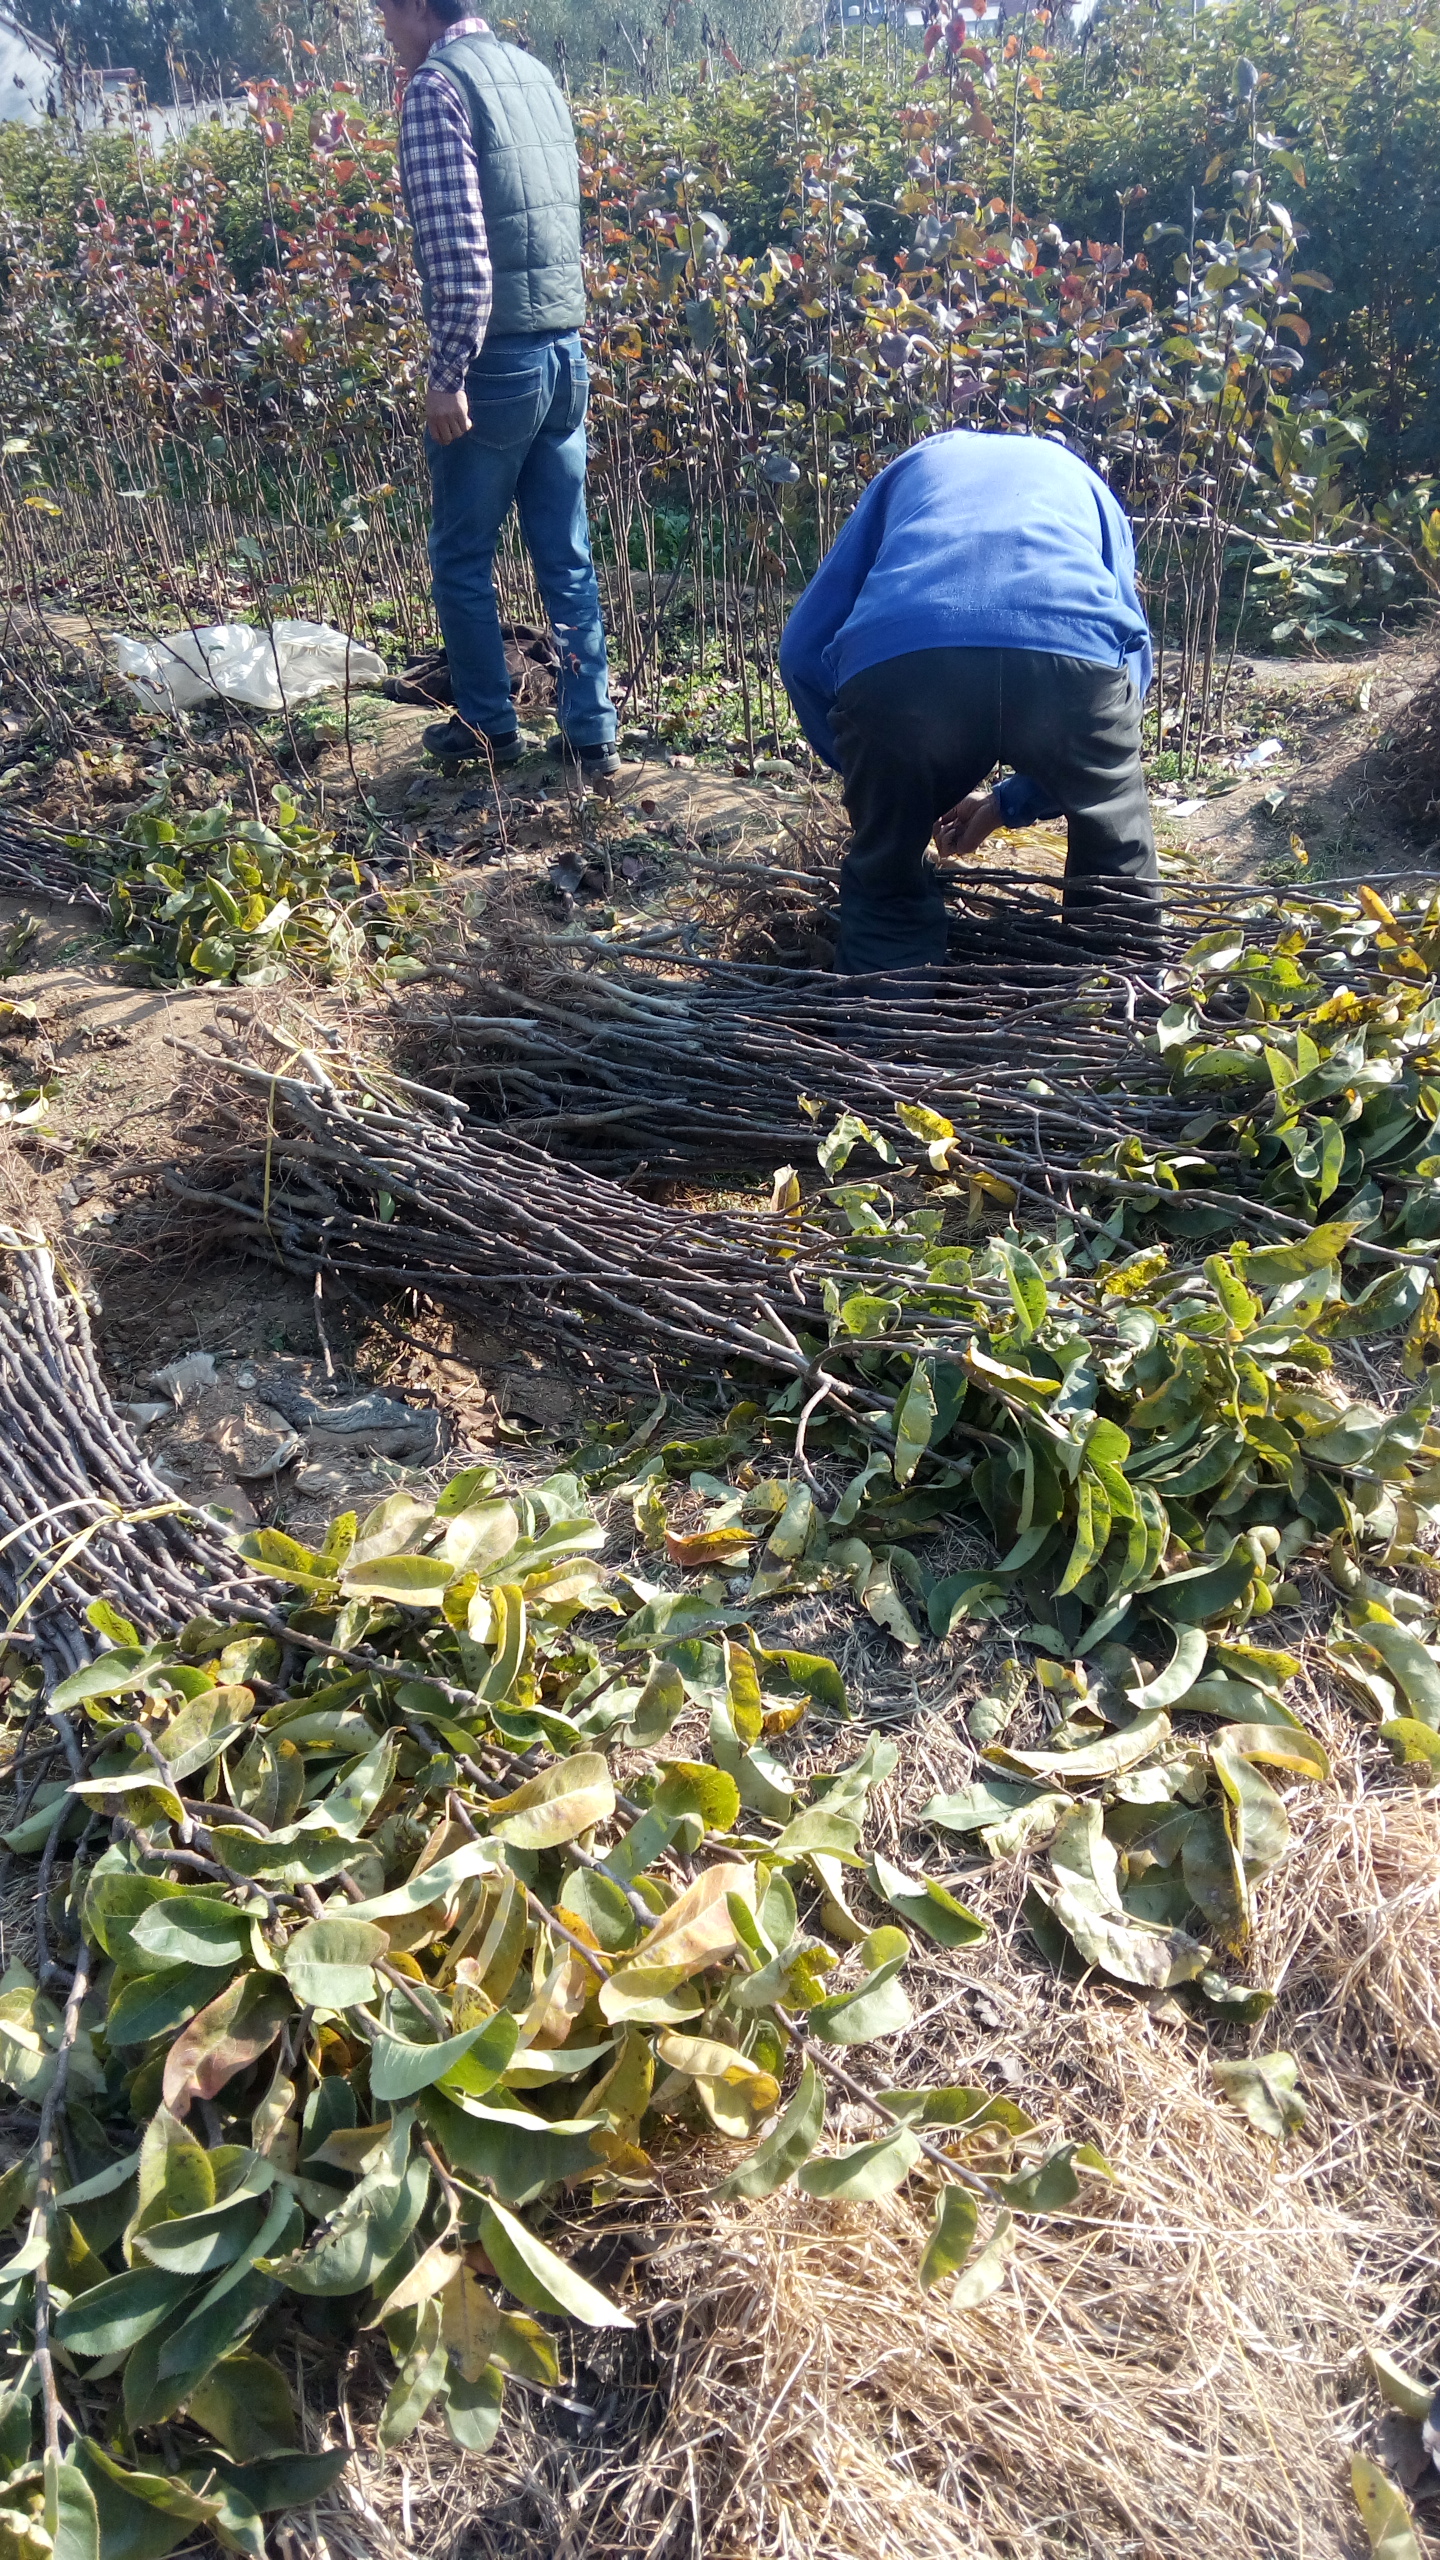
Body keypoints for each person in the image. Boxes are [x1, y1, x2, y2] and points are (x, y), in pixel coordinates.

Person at [778, 431, 1159, 975]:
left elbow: (799, 651)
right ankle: (1122, 1019)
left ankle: (883, 1038)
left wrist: (882, 776)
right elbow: (1129, 662)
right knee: (1115, 877)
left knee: (885, 892)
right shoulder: (1082, 480)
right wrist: (1029, 795)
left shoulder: (911, 468)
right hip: (1071, 657)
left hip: (904, 665)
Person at [378, 0, 619, 781]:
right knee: (566, 555)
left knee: (460, 555)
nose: (384, 25)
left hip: (493, 363)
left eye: (385, 9)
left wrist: (447, 371)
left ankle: (488, 728)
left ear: (419, 5)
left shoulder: (437, 89)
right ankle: (592, 730)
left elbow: (460, 250)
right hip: (563, 351)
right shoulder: (533, 75)